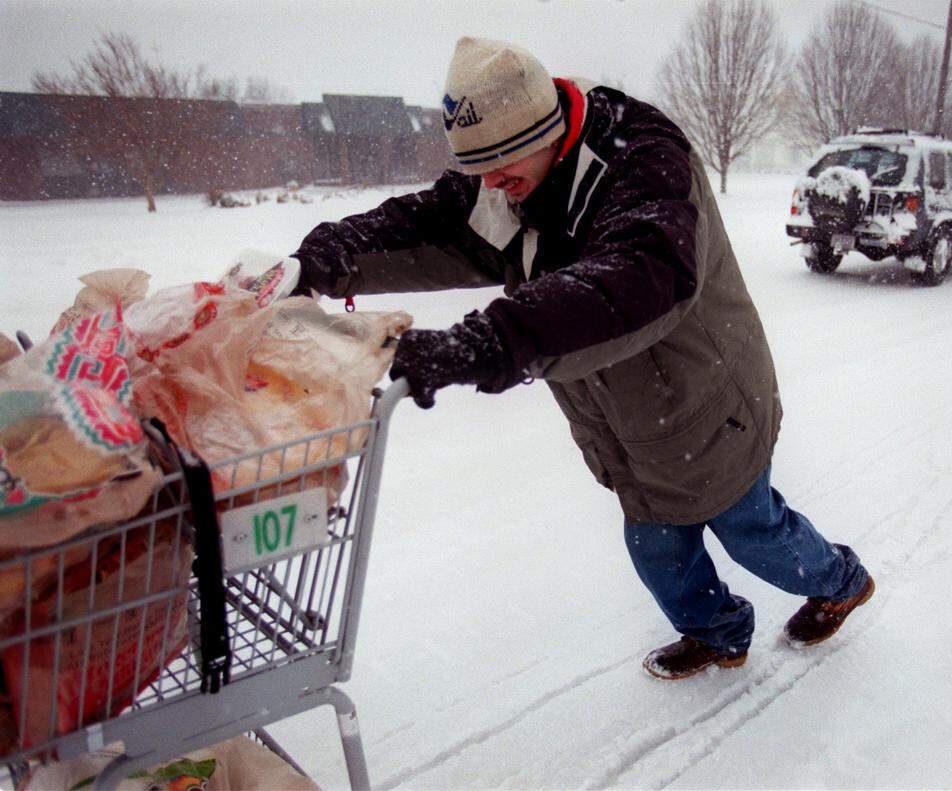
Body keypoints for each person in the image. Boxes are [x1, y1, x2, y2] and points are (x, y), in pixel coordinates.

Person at [291, 37, 874, 681]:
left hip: (702, 404)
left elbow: (638, 276)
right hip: (623, 420)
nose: (490, 182)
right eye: (478, 166)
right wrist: (322, 259)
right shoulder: (510, 176)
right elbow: (430, 221)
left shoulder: (645, 159)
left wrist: (491, 343)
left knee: (751, 531)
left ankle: (840, 579)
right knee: (656, 547)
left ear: (548, 129)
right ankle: (719, 631)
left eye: (504, 162)